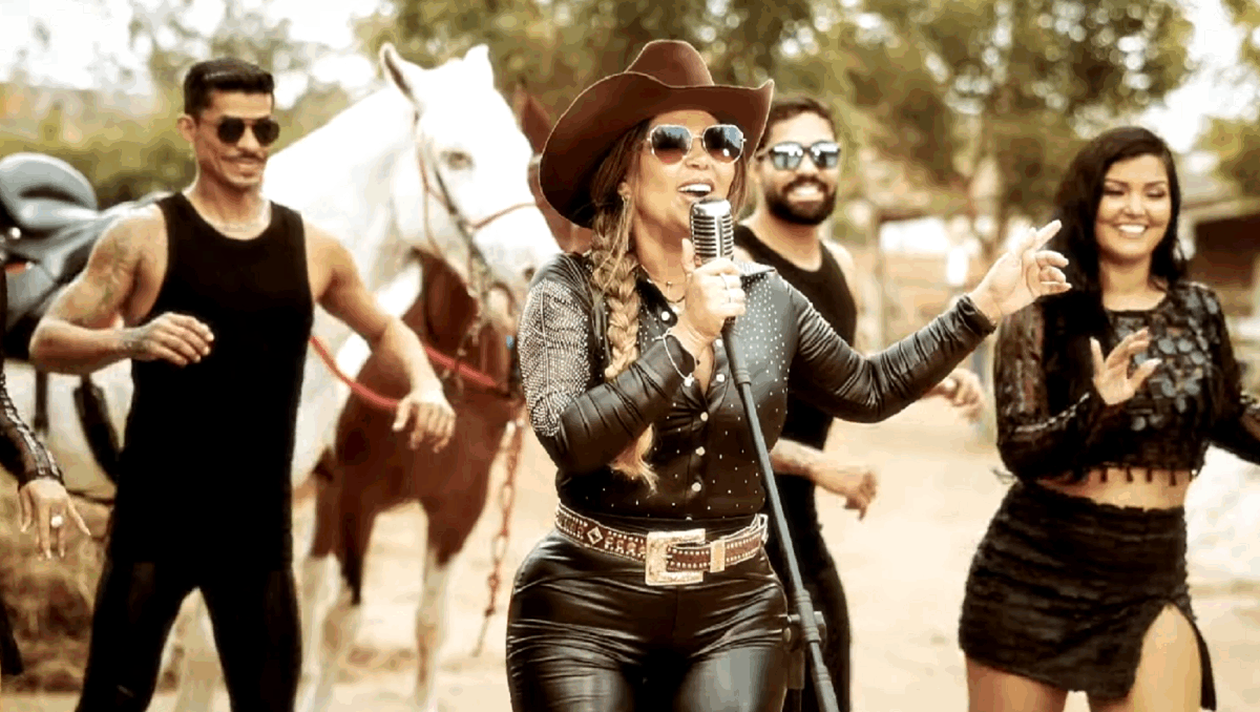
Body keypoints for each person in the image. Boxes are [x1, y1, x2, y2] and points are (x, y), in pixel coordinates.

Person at [507, 39, 1069, 712]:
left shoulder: (767, 296)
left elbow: (868, 387)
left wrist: (983, 305)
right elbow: (569, 437)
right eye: (671, 141)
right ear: (623, 174)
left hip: (734, 613)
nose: (702, 157)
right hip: (584, 611)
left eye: (721, 142)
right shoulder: (566, 290)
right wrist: (689, 335)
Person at [22, 57, 457, 711]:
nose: (251, 144)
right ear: (191, 130)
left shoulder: (313, 249)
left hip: (258, 537)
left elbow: (385, 329)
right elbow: (47, 340)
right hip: (152, 527)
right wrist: (130, 340)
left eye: (264, 129)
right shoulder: (143, 238)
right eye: (231, 129)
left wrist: (425, 384)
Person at [958, 126, 1257, 712]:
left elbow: (1228, 413)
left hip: (1150, 578)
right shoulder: (1039, 304)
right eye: (1117, 191)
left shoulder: (1198, 307)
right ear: (1087, 201)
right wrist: (1099, 405)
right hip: (1032, 576)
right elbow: (1019, 447)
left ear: (1172, 206)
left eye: (1154, 193)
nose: (1136, 208)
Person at [733, 94, 985, 712]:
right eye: (788, 154)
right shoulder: (735, 260)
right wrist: (817, 463)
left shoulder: (840, 265)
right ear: (756, 166)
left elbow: (845, 375)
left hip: (801, 534)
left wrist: (930, 381)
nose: (808, 168)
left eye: (824, 153)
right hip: (730, 542)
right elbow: (712, 412)